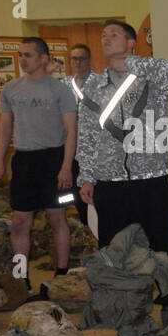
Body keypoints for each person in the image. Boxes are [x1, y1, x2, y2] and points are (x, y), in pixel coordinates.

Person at [76, 19, 168, 319]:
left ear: (131, 42)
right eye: (103, 35)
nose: (106, 39)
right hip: (110, 183)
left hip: (151, 179)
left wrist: (130, 62)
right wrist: (85, 175)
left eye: (114, 35)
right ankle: (120, 313)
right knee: (113, 252)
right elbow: (86, 134)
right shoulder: (94, 86)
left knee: (163, 247)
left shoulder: (152, 77)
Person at [0, 37, 77, 292]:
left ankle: (61, 275)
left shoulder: (60, 90)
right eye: (20, 55)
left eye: (28, 55)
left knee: (56, 217)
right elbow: (5, 127)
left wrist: (65, 167)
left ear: (44, 58)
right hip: (25, 160)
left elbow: (71, 131)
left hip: (52, 159)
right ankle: (21, 278)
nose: (22, 60)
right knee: (20, 222)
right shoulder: (11, 89)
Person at [65, 44, 94, 224]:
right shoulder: (64, 84)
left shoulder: (100, 82)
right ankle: (85, 227)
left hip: (94, 147)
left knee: (95, 195)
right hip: (73, 146)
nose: (78, 62)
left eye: (81, 58)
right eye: (74, 58)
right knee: (77, 195)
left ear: (89, 60)